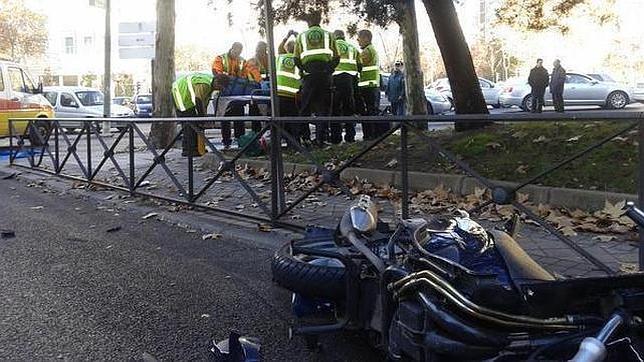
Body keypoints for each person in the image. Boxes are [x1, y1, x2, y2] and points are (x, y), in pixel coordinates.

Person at [294, 11, 340, 146]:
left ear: (308, 22)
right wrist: (328, 69)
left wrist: (304, 69)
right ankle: (321, 139)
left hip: (309, 75)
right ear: (320, 20)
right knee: (323, 108)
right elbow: (337, 57)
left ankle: (306, 138)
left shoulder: (301, 36)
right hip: (325, 74)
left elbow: (296, 58)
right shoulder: (329, 35)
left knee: (305, 107)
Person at [212, 42, 255, 148]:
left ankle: (240, 141)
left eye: (239, 52)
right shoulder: (220, 58)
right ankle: (226, 142)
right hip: (225, 94)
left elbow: (245, 76)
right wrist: (231, 79)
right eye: (236, 51)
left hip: (237, 95)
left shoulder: (242, 61)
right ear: (232, 49)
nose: (237, 54)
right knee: (225, 119)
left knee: (239, 118)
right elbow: (217, 73)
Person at [171, 72, 218, 157]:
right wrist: (202, 118)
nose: (220, 90)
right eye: (221, 87)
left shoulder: (210, 84)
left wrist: (203, 117)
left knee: (193, 124)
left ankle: (194, 148)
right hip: (182, 94)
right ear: (217, 82)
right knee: (189, 123)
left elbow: (204, 103)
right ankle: (189, 150)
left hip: (182, 92)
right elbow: (198, 100)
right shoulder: (205, 84)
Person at [330, 29, 361, 144]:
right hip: (349, 81)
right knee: (349, 109)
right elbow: (360, 65)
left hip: (334, 81)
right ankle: (350, 137)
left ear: (334, 37)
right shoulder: (352, 48)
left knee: (335, 110)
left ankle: (336, 138)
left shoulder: (331, 46)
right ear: (344, 37)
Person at [357, 29, 384, 140]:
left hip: (368, 87)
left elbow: (358, 64)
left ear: (366, 38)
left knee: (369, 112)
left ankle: (370, 136)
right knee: (372, 111)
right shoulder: (371, 50)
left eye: (359, 38)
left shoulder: (367, 51)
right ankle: (372, 135)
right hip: (371, 86)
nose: (358, 41)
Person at [276, 37, 303, 145]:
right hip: (293, 95)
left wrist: (286, 37)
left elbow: (279, 48)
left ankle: (277, 145)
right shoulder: (299, 60)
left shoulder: (280, 58)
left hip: (279, 94)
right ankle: (295, 144)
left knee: (279, 122)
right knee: (294, 121)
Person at [246, 41, 269, 134]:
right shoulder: (252, 61)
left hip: (266, 90)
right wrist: (262, 82)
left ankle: (268, 132)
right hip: (255, 90)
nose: (261, 53)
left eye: (263, 51)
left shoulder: (269, 59)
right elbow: (254, 72)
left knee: (270, 112)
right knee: (255, 113)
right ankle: (256, 133)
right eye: (260, 50)